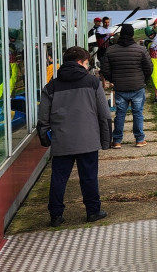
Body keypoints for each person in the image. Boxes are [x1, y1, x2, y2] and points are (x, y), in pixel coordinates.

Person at [36, 46, 112, 227]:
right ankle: (93, 211)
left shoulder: (51, 86)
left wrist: (45, 138)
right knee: (89, 177)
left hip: (62, 141)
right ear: (80, 62)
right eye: (87, 63)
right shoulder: (93, 83)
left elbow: (43, 117)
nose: (87, 67)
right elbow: (104, 114)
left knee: (58, 178)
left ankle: (56, 215)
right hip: (88, 140)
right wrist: (105, 140)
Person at [101, 24, 153, 148]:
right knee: (138, 113)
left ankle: (117, 141)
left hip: (120, 87)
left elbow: (105, 69)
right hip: (137, 86)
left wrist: (113, 79)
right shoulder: (140, 49)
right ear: (132, 35)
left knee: (120, 114)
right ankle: (139, 139)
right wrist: (143, 79)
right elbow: (149, 68)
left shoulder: (111, 50)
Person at [95, 17, 113, 88]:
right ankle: (103, 83)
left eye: (108, 22)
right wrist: (107, 34)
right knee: (103, 67)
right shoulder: (99, 29)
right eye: (105, 22)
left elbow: (109, 40)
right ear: (103, 22)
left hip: (107, 49)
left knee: (110, 66)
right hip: (101, 50)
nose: (107, 24)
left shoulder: (109, 29)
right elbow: (98, 36)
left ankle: (111, 82)